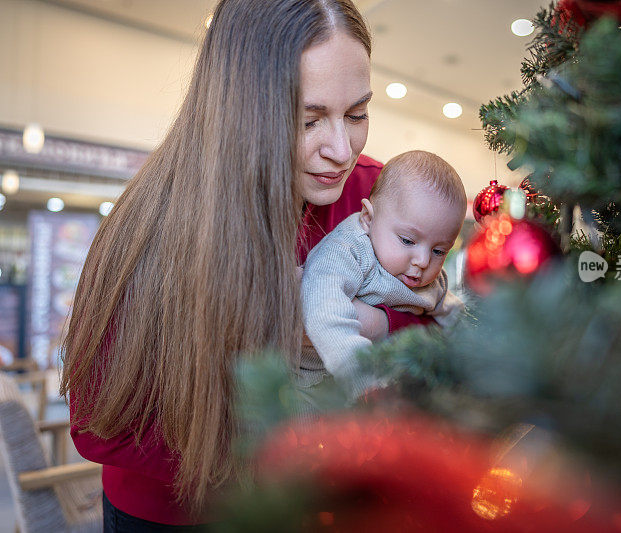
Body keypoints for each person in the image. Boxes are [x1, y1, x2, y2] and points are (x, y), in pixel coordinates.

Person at [60, 0, 430, 528]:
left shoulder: (378, 199)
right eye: (309, 119)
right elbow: (97, 423)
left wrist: (367, 323)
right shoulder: (151, 225)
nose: (342, 150)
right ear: (242, 112)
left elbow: (439, 320)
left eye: (357, 114)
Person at [300, 150, 466, 399]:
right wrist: (365, 380)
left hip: (392, 383)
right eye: (408, 241)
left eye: (439, 250)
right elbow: (324, 311)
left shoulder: (432, 279)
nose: (423, 261)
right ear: (368, 218)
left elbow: (455, 319)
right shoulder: (347, 250)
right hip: (316, 381)